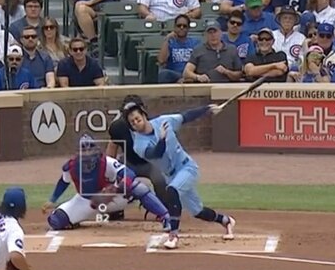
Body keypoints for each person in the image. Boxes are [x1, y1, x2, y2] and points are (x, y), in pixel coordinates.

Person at [122, 102, 236, 249]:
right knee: (197, 211)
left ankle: (173, 235)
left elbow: (186, 116)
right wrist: (162, 139)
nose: (136, 123)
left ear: (144, 115)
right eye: (132, 122)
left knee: (172, 190)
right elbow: (156, 153)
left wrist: (207, 109)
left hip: (187, 167)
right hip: (171, 175)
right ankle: (226, 221)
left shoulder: (164, 121)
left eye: (137, 118)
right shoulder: (138, 144)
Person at [42, 134, 171, 231]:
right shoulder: (71, 166)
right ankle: (77, 219)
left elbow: (129, 173)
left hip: (113, 198)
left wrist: (120, 187)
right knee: (56, 221)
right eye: (85, 151)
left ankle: (165, 216)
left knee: (138, 188)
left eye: (90, 150)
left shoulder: (106, 162)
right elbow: (63, 182)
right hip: (86, 202)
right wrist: (52, 199)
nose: (88, 154)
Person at [106, 95, 169, 218]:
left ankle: (163, 209)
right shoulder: (118, 127)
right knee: (115, 175)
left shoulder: (152, 125)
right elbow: (112, 147)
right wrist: (109, 169)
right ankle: (115, 209)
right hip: (129, 162)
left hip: (150, 162)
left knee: (160, 179)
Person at [157, 14, 199, 83]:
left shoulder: (195, 42)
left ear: (188, 28)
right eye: (179, 26)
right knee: (163, 74)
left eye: (184, 26)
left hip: (190, 74)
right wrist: (167, 39)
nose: (181, 28)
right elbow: (161, 60)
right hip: (174, 74)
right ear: (174, 27)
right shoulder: (170, 42)